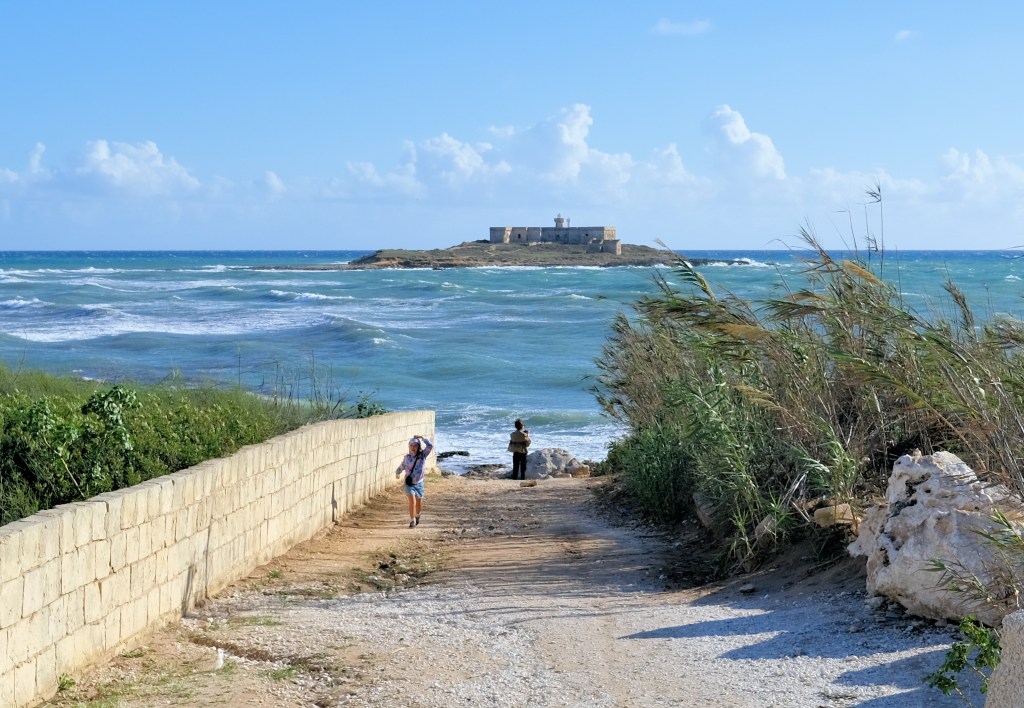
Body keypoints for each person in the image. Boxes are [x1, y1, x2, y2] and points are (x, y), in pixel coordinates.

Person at [396, 435, 433, 528]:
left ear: (419, 447)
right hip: (409, 484)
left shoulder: (423, 455)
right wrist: (397, 473)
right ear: (409, 446)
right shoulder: (407, 457)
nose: (413, 448)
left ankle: (417, 515)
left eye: (416, 445)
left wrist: (422, 437)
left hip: (419, 483)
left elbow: (430, 446)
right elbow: (402, 466)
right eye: (411, 445)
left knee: (418, 503)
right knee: (412, 502)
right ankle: (412, 520)